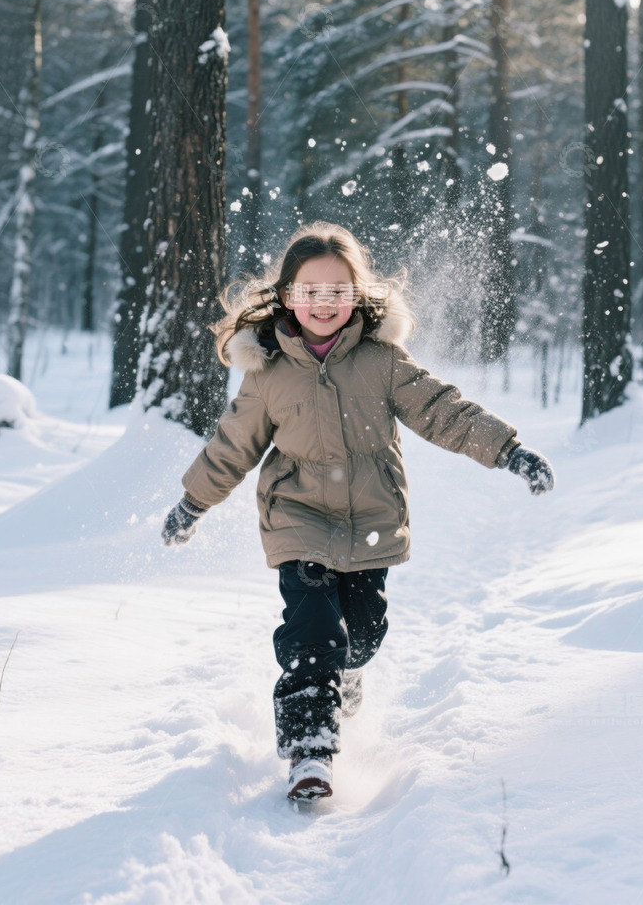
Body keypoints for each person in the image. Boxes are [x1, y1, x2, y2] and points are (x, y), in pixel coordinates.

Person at [161, 221, 555, 802]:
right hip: (297, 520)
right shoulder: (268, 371)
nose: (324, 304)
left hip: (371, 522)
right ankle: (309, 751)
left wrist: (507, 449)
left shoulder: (382, 361)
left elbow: (443, 411)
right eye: (310, 292)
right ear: (287, 297)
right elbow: (232, 445)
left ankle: (348, 674)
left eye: (337, 291)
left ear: (358, 295)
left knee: (363, 635)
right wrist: (193, 502)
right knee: (312, 634)